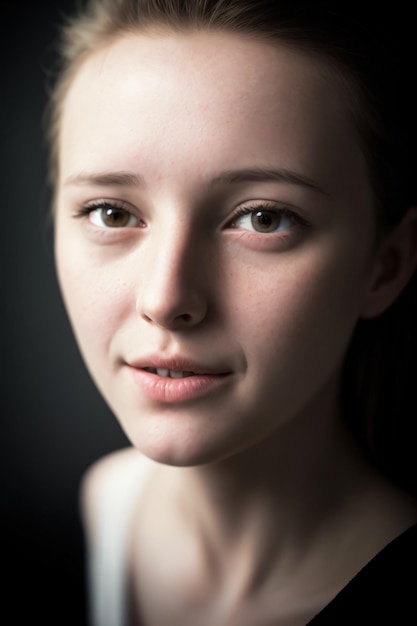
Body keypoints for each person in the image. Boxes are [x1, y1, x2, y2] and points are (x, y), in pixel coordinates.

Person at [48, 1, 417, 624]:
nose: (165, 300)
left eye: (263, 219)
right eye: (112, 213)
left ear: (382, 266)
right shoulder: (104, 507)